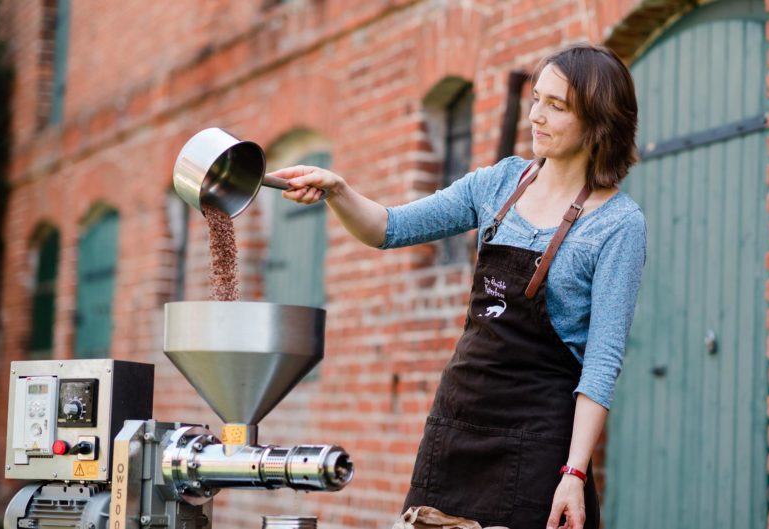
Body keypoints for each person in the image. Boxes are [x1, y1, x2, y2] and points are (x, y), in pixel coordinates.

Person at [270, 42, 646, 529]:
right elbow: (388, 228)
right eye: (537, 99)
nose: (537, 116)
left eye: (557, 107)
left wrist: (573, 472)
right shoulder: (499, 184)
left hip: (538, 440)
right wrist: (338, 191)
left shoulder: (618, 224)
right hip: (457, 419)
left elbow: (602, 363)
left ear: (598, 121)